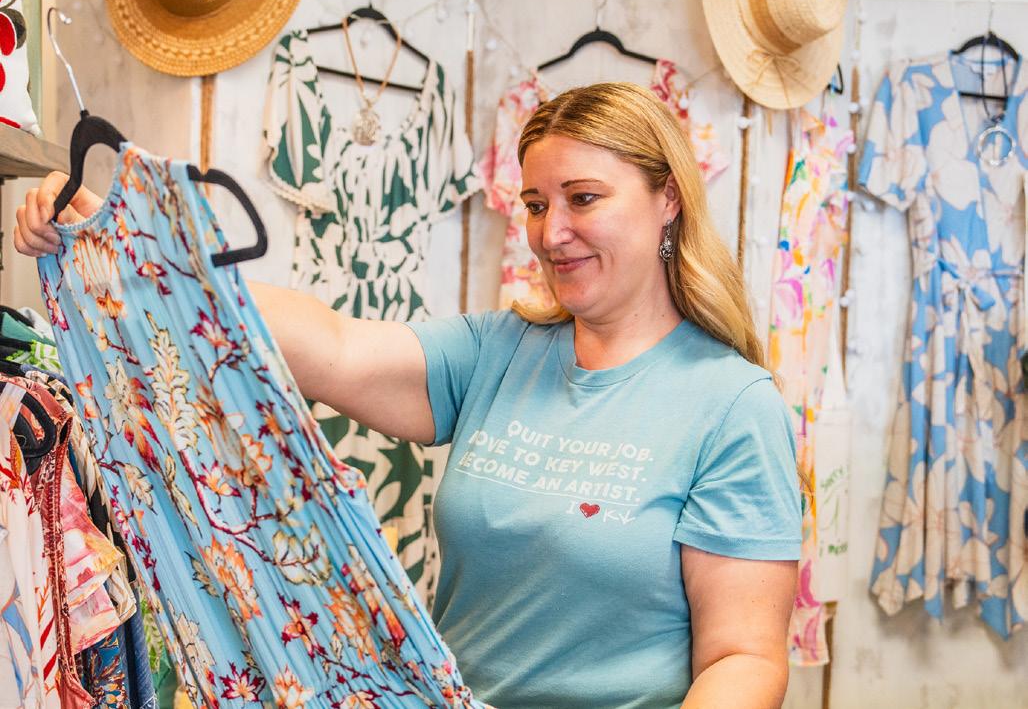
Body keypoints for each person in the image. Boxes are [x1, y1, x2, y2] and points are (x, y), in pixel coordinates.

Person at [16, 82, 800, 709]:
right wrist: (133, 250)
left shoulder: (731, 405)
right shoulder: (499, 350)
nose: (550, 231)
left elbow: (744, 658)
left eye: (583, 198)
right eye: (535, 204)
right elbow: (335, 346)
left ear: (669, 200)